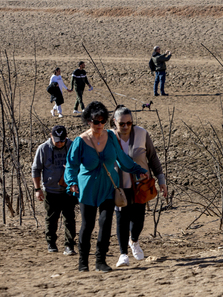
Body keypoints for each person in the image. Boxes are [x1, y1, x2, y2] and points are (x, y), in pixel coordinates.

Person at [65, 101, 148, 272]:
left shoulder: (110, 137)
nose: (100, 125)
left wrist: (138, 170)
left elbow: (122, 159)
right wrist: (72, 182)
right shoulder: (80, 141)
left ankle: (100, 261)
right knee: (87, 226)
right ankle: (83, 262)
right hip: (87, 188)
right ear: (89, 121)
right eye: (96, 121)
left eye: (103, 121)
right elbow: (71, 165)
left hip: (109, 187)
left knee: (105, 223)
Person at [110, 105, 168, 267]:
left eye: (129, 123)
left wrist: (161, 181)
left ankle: (134, 240)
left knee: (138, 219)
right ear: (114, 122)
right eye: (122, 124)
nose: (126, 127)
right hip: (119, 186)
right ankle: (123, 254)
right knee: (121, 219)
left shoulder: (142, 134)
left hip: (141, 185)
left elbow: (153, 157)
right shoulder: (109, 137)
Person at [32, 125, 78, 255]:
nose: (60, 143)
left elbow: (80, 164)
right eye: (57, 140)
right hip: (51, 190)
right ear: (51, 136)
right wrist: (37, 189)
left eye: (62, 140)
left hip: (69, 190)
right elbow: (36, 169)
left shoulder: (72, 146)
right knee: (51, 218)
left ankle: (69, 245)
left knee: (70, 218)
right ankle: (51, 242)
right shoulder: (43, 149)